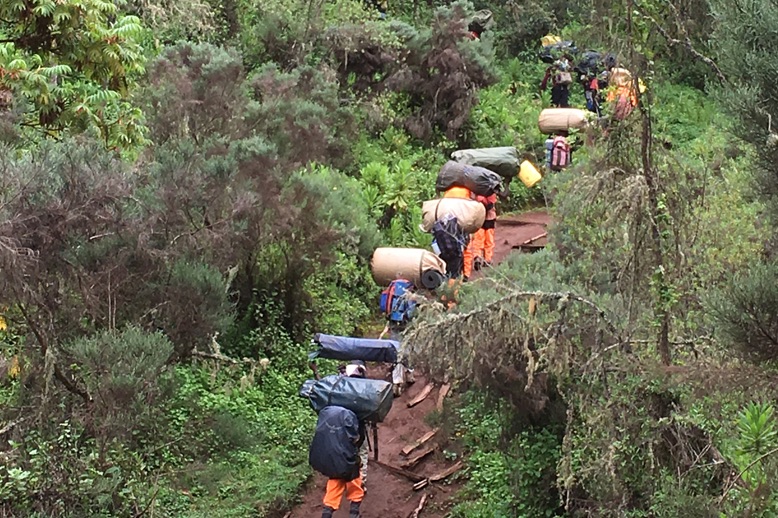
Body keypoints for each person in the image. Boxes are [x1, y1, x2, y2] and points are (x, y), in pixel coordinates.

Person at [312, 403, 366, 518]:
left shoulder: (327, 412)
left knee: (334, 486)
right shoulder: (352, 416)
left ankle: (326, 514)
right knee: (355, 485)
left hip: (330, 459)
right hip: (346, 460)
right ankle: (354, 514)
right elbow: (357, 439)